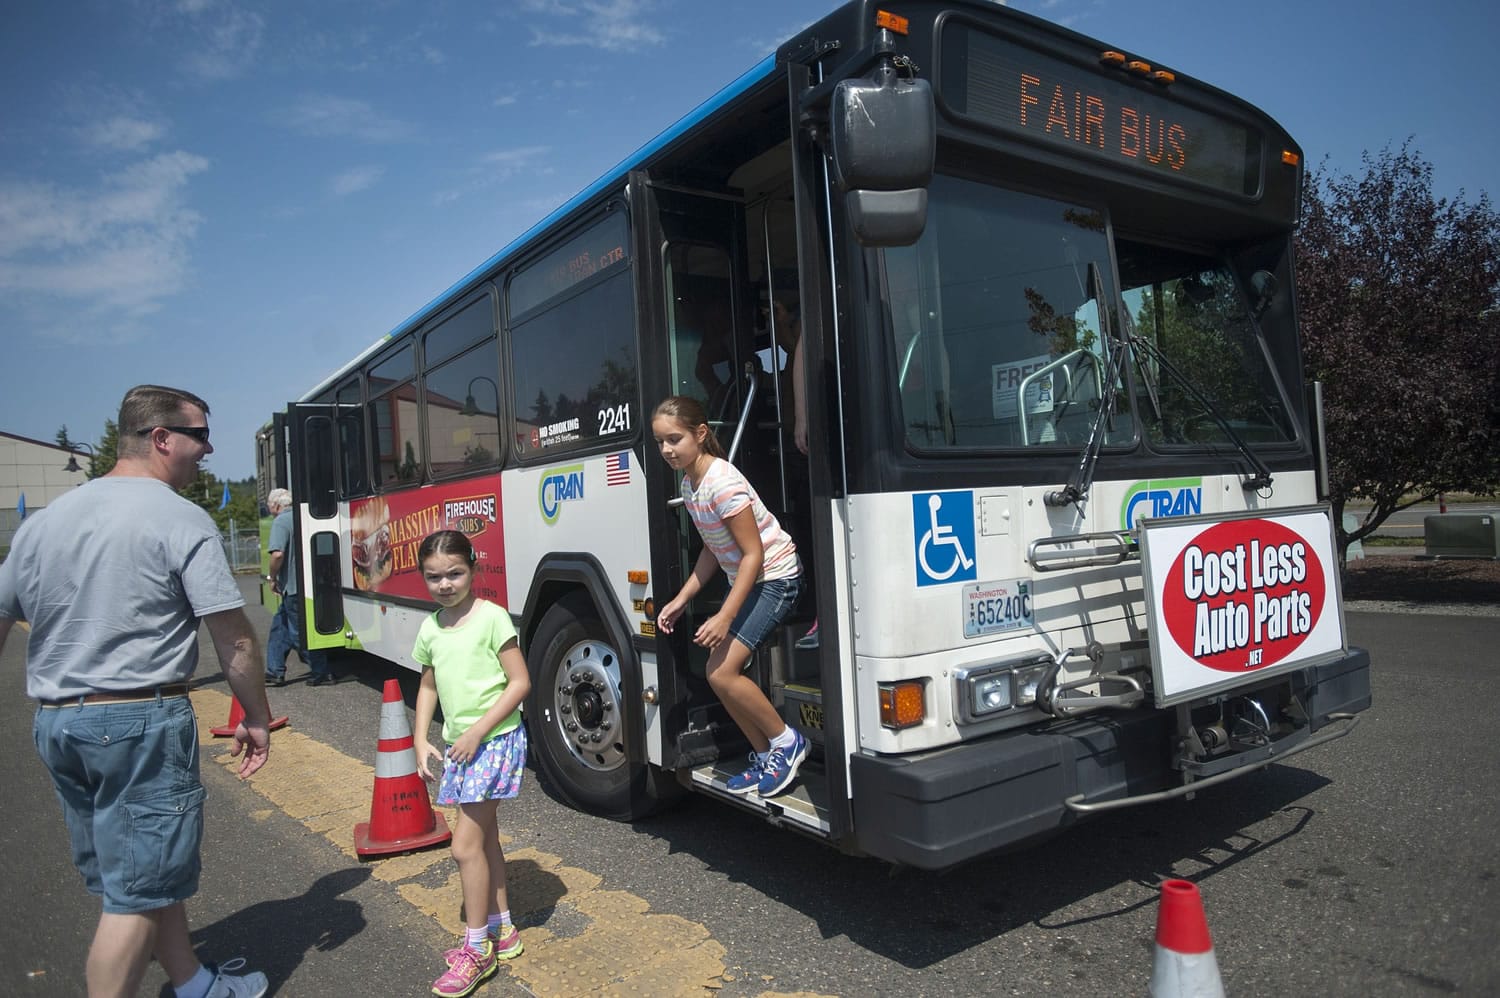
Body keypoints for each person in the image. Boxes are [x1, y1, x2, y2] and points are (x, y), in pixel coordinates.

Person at [0, 384, 272, 998]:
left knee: (138, 876)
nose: (207, 448)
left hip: (58, 725)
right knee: (134, 897)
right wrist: (255, 713)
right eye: (199, 434)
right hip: (136, 723)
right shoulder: (179, 517)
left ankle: (194, 981)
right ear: (161, 438)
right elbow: (233, 637)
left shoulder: (45, 524)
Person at [651, 396, 810, 798]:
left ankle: (788, 742)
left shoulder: (722, 484)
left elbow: (754, 555)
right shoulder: (691, 484)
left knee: (722, 671)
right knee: (717, 673)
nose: (667, 450)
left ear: (700, 434)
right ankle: (765, 753)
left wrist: (724, 616)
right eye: (660, 443)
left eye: (674, 439)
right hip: (753, 579)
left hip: (777, 579)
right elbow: (711, 549)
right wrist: (683, 598)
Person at [411, 530, 531, 997]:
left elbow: (519, 682)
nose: (445, 584)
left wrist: (479, 729)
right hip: (461, 747)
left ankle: (477, 948)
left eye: (455, 573)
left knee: (464, 847)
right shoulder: (431, 627)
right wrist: (421, 739)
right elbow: (427, 686)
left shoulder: (492, 618)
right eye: (434, 577)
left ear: (474, 569)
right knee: (486, 840)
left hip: (493, 742)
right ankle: (503, 928)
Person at [263, 487, 333, 687]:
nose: (270, 511)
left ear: (276, 505)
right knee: (280, 627)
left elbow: (277, 554)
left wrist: (272, 578)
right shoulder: (304, 517)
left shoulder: (280, 521)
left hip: (292, 587)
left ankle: (322, 671)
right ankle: (275, 670)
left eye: (270, 507)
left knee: (299, 633)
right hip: (310, 585)